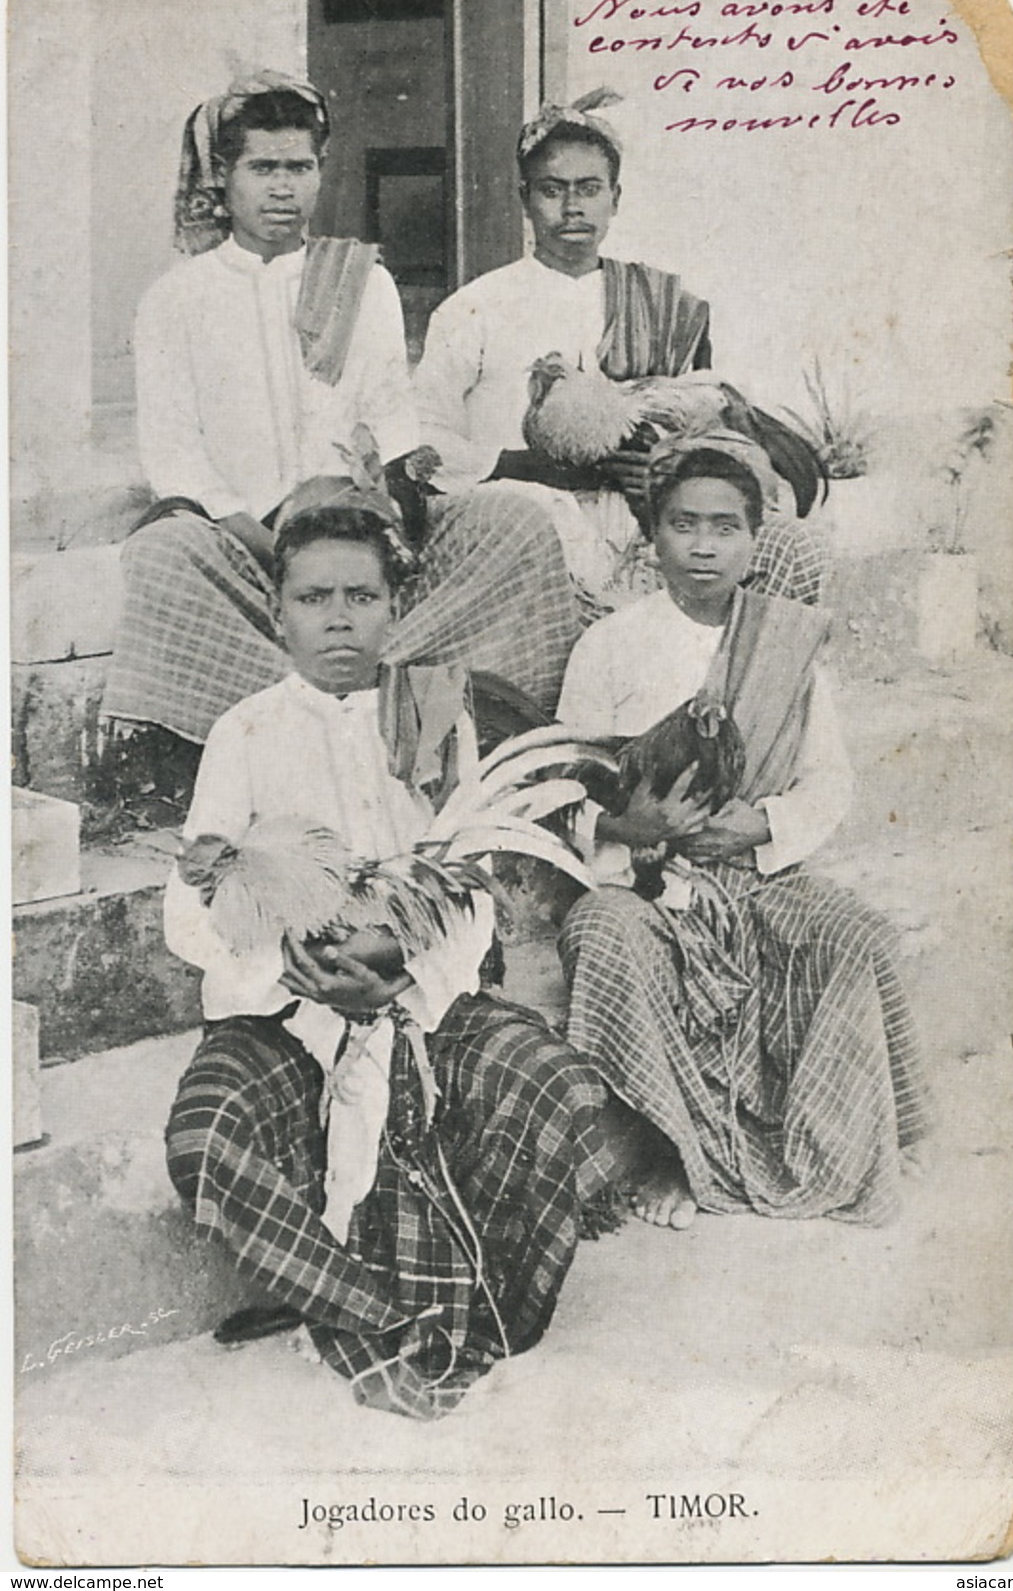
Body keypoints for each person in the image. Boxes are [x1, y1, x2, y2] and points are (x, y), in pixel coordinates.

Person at [163, 490, 612, 1420]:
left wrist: (409, 975)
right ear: (278, 611)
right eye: (314, 596)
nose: (337, 616)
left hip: (416, 992)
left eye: (360, 596)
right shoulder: (243, 732)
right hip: (289, 1008)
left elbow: (471, 878)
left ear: (393, 607)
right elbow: (188, 900)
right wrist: (282, 967)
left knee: (556, 1085)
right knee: (207, 1133)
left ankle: (485, 1293)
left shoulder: (432, 713)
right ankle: (378, 1307)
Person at [102, 71, 582, 754]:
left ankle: (415, 706)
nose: (281, 187)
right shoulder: (176, 299)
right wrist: (279, 546)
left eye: (298, 167)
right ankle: (302, 724)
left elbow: (391, 422)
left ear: (320, 173)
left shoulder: (365, 283)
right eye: (262, 167)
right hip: (247, 549)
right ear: (223, 178)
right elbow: (178, 460)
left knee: (513, 520)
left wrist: (376, 526)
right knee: (160, 551)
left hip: (365, 535)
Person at [556, 433, 930, 1230]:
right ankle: (673, 1157)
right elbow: (559, 789)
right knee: (600, 934)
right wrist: (628, 825)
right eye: (682, 524)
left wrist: (762, 826)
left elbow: (828, 779)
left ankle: (856, 1129)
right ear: (650, 536)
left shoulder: (785, 646)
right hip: (647, 885)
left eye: (724, 526)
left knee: (856, 935)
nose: (702, 545)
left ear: (755, 541)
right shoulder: (609, 645)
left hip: (757, 874)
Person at [414, 89, 826, 609]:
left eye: (588, 188)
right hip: (528, 527)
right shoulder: (473, 308)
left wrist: (662, 466)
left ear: (615, 197)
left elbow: (704, 429)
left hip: (649, 521)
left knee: (793, 546)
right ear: (525, 198)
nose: (571, 207)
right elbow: (424, 438)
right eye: (551, 189)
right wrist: (533, 468)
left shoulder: (664, 304)